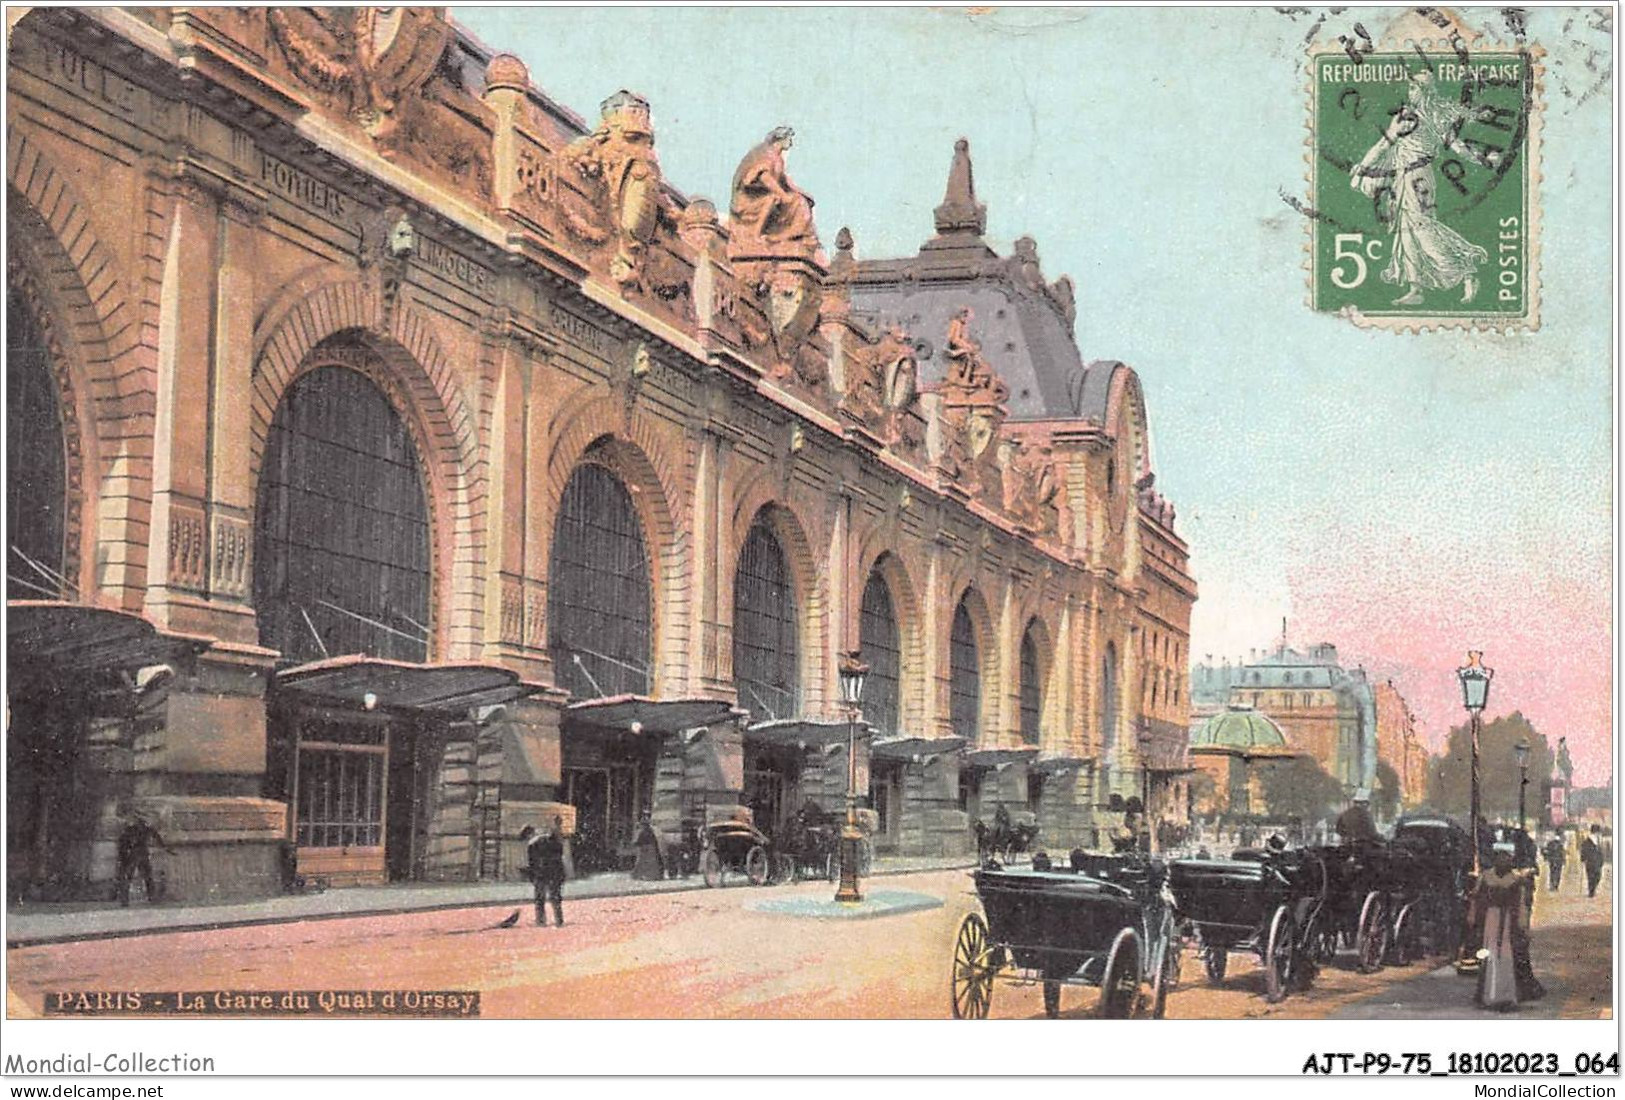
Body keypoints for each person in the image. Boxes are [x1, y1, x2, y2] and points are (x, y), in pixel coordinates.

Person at [1350, 70, 1489, 306]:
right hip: (1404, 177)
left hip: (1418, 177)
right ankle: (1415, 289)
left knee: (1423, 229)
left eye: (1414, 88)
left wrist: (1479, 158)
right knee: (1406, 231)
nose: (1410, 92)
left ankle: (1466, 271)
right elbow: (1386, 143)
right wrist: (1363, 167)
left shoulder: (1429, 117)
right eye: (1410, 88)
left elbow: (1455, 145)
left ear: (1424, 92)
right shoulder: (1410, 115)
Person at [1472, 843, 1543, 1010]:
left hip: (1509, 924)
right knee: (1490, 955)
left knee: (1507, 957)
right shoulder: (1487, 877)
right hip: (1492, 921)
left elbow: (1521, 905)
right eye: (1500, 856)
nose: (1503, 860)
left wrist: (1523, 926)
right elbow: (1477, 900)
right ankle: (1490, 994)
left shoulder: (1516, 879)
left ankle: (1506, 994)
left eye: (1506, 857)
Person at [115, 810, 171, 907]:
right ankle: (151, 897)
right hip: (140, 852)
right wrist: (165, 847)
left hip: (133, 853)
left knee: (129, 876)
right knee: (146, 876)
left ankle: (125, 900)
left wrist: (122, 854)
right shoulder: (145, 828)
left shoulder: (131, 829)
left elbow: (122, 842)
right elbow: (157, 838)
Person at [522, 817, 568, 927]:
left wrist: (530, 874)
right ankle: (559, 920)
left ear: (528, 834)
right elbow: (560, 852)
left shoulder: (532, 844)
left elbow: (532, 862)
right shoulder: (550, 838)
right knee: (555, 898)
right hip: (556, 872)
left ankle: (541, 921)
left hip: (541, 874)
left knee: (540, 899)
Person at [1580, 826, 1605, 898]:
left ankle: (1592, 889)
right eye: (1598, 832)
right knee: (1591, 877)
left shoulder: (1598, 841)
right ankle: (1591, 892)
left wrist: (1601, 860)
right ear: (1595, 832)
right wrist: (1583, 859)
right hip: (1590, 862)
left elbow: (1600, 852)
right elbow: (1583, 851)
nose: (1599, 834)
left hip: (1597, 862)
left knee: (1598, 876)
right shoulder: (1587, 841)